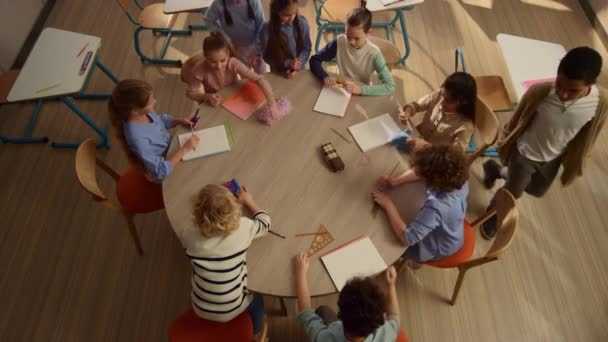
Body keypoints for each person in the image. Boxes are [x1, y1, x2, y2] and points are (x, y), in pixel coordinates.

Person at [481, 46, 606, 240]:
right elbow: (517, 119)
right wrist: (505, 141)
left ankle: (497, 171)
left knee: (536, 190)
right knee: (513, 193)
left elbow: (592, 131)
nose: (563, 94)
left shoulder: (600, 102)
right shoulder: (541, 92)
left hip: (554, 157)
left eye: (572, 90)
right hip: (524, 153)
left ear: (591, 84)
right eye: (560, 84)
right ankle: (491, 216)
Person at [179, 184, 271, 336]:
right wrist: (249, 201)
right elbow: (265, 223)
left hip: (200, 307)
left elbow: (186, 248)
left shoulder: (188, 235)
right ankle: (255, 328)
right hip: (234, 308)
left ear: (196, 213)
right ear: (234, 210)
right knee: (258, 297)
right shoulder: (243, 228)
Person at [373, 145, 469, 263]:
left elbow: (407, 238)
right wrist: (396, 181)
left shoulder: (438, 206)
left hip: (438, 246)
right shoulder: (458, 179)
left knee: (385, 245)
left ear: (433, 181)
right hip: (453, 229)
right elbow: (423, 170)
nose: (416, 173)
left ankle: (411, 262)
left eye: (422, 176)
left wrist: (388, 205)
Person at [295, 253, 401, 341]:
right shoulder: (387, 333)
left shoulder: (326, 338)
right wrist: (391, 285)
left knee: (322, 310)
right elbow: (394, 316)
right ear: (381, 318)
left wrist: (301, 273)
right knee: (324, 311)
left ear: (340, 315)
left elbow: (305, 313)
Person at [109, 79, 199, 182]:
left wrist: (179, 121)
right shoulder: (137, 139)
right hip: (166, 168)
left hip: (172, 150)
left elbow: (159, 121)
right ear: (135, 110)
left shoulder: (143, 113)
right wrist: (185, 149)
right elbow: (161, 171)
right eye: (150, 103)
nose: (155, 101)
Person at [184, 31, 278, 117]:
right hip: (214, 103)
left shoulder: (233, 63)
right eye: (212, 62)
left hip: (235, 97)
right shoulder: (198, 69)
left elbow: (259, 79)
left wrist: (272, 103)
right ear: (205, 56)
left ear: (228, 54)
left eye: (223, 60)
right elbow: (190, 93)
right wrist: (206, 96)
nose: (219, 66)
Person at [309, 7, 395, 96]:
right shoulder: (339, 42)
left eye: (356, 38)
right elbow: (314, 60)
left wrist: (361, 90)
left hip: (361, 92)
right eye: (348, 36)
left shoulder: (374, 54)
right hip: (340, 87)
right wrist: (324, 76)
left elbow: (390, 86)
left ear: (368, 33)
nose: (351, 42)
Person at [204, 0, 266, 73]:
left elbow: (262, 25)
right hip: (236, 48)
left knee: (261, 73)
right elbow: (208, 20)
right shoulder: (218, 3)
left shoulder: (254, 1)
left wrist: (258, 52)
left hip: (256, 45)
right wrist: (227, 39)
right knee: (244, 75)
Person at [260, 0, 312, 78]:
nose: (291, 18)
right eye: (286, 15)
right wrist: (288, 63)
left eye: (294, 13)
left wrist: (297, 65)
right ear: (277, 11)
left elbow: (307, 47)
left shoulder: (302, 23)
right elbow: (267, 56)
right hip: (278, 72)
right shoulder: (266, 29)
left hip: (299, 70)